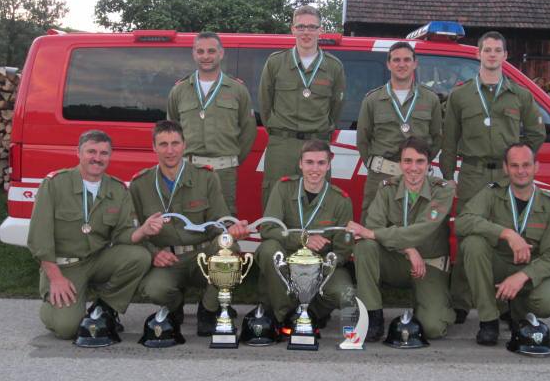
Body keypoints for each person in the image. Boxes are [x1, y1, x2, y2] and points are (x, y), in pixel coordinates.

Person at [440, 31, 546, 322]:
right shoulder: (460, 95)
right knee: (468, 236)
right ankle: (460, 302)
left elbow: (536, 133)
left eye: (497, 50)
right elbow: (449, 140)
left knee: (505, 234)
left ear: (505, 56)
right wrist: (448, 176)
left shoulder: (520, 95)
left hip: (505, 175)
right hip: (472, 173)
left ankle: (504, 303)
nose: (492, 55)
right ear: (478, 54)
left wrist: (519, 163)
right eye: (487, 50)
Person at [27, 130, 159, 340]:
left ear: (110, 156)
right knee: (67, 328)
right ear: (78, 152)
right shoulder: (54, 184)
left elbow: (122, 234)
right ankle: (50, 306)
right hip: (64, 267)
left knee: (139, 256)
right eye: (91, 151)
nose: (97, 158)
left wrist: (143, 230)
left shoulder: (117, 189)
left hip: (97, 260)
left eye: (104, 153)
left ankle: (104, 308)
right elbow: (39, 237)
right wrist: (56, 278)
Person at [129, 120, 251, 336]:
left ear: (184, 145)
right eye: (163, 144)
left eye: (175, 143)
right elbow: (134, 230)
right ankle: (174, 306)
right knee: (155, 290)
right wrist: (154, 253)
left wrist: (231, 230)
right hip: (168, 260)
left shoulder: (205, 177)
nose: (170, 151)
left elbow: (220, 221)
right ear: (154, 147)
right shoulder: (140, 184)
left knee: (229, 247)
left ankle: (209, 309)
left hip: (201, 256)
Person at [455, 143, 550, 345]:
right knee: (472, 244)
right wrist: (506, 233)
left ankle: (519, 313)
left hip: (529, 270)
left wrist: (522, 276)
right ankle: (489, 320)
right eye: (514, 165)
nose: (521, 171)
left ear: (536, 167)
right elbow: (462, 222)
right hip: (497, 265)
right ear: (506, 168)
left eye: (526, 165)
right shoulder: (491, 193)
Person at [347, 136, 456, 341]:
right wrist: (408, 249)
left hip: (429, 265)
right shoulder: (387, 188)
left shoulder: (443, 190)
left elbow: (424, 227)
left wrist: (375, 234)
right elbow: (374, 224)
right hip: (396, 261)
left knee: (432, 328)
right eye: (407, 161)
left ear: (429, 164)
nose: (413, 168)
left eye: (420, 161)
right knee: (364, 247)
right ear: (400, 163)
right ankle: (372, 315)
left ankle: (428, 303)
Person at [255, 139, 353, 330]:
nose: (315, 169)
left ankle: (312, 313)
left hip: (321, 265)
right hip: (287, 261)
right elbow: (267, 229)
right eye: (309, 162)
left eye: (321, 163)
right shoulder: (283, 188)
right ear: (300, 163)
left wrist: (319, 268)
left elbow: (343, 250)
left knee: (345, 293)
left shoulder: (341, 200)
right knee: (268, 249)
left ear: (329, 165)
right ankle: (286, 315)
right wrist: (303, 240)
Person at [258, 5, 346, 209]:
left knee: (317, 202)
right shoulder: (275, 62)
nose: (306, 32)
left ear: (320, 30)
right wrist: (279, 130)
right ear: (293, 29)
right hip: (283, 145)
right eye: (301, 26)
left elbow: (336, 107)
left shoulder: (334, 66)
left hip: (317, 144)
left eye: (312, 27)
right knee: (275, 199)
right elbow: (265, 104)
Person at [167, 32, 257, 215]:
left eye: (211, 51)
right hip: (188, 170)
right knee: (188, 219)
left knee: (224, 221)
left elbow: (248, 131)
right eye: (200, 51)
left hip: (224, 171)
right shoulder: (179, 90)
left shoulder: (238, 90)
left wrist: (231, 160)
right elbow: (172, 130)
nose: (205, 56)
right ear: (194, 54)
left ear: (221, 53)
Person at [357, 41, 442, 222]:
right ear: (388, 64)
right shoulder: (372, 100)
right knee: (373, 224)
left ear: (415, 63)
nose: (401, 64)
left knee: (414, 225)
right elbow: (363, 140)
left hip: (416, 175)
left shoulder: (430, 99)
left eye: (407, 60)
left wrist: (419, 164)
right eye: (396, 60)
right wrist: (379, 166)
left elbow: (437, 137)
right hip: (381, 175)